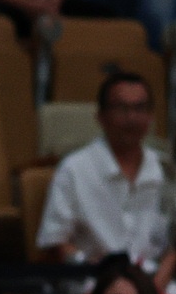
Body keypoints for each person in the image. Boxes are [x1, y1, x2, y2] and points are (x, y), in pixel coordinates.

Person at [36, 69, 175, 280]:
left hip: (154, 282)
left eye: (139, 108)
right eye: (121, 108)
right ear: (101, 116)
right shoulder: (74, 169)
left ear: (150, 116)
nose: (131, 118)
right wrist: (90, 265)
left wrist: (154, 287)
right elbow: (54, 243)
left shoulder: (165, 169)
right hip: (94, 282)